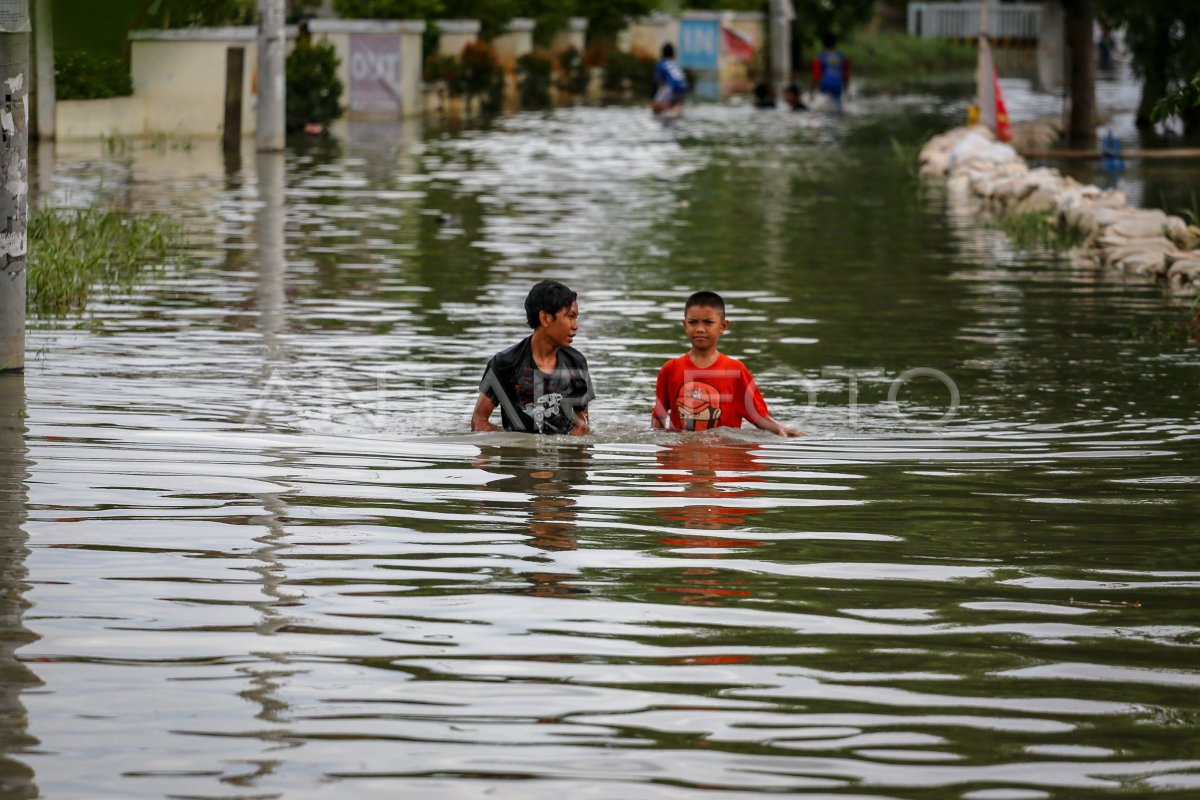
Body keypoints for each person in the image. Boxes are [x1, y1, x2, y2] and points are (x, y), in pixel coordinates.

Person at [652, 291, 803, 437]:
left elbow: (759, 416)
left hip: (725, 458)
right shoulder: (670, 369)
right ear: (685, 325)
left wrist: (780, 430)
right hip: (681, 458)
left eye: (708, 322)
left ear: (723, 326)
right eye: (693, 322)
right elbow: (658, 419)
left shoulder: (736, 370)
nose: (699, 329)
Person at [471, 280, 594, 435]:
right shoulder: (506, 364)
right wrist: (510, 446)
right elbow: (479, 421)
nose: (575, 326)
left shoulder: (576, 363)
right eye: (570, 317)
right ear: (545, 318)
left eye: (576, 318)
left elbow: (582, 423)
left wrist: (572, 452)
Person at [811, 34, 850, 108]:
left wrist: (812, 93)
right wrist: (847, 92)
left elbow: (816, 77)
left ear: (823, 45)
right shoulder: (842, 58)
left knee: (825, 107)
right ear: (835, 44)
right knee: (837, 106)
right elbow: (846, 76)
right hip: (837, 84)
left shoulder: (819, 58)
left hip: (825, 84)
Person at [652, 43, 688, 116]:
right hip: (684, 87)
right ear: (673, 54)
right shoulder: (676, 64)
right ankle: (677, 108)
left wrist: (653, 99)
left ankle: (673, 108)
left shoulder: (661, 63)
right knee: (674, 103)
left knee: (655, 107)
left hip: (672, 87)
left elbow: (657, 82)